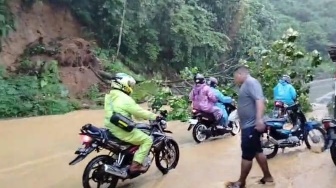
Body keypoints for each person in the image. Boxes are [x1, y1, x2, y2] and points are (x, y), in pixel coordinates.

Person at [226, 66, 273, 188]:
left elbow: (259, 100)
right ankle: (267, 176)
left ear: (240, 74)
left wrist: (259, 120)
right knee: (258, 151)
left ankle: (241, 182)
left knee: (247, 154)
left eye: (235, 76)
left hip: (251, 126)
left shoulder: (251, 82)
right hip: (248, 126)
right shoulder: (246, 85)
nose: (235, 79)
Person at [104, 73, 160, 173]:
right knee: (147, 140)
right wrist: (155, 116)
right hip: (121, 129)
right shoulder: (125, 98)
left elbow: (134, 114)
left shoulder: (109, 96)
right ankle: (135, 165)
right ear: (123, 84)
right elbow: (139, 112)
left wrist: (139, 117)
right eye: (129, 84)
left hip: (110, 127)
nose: (130, 87)